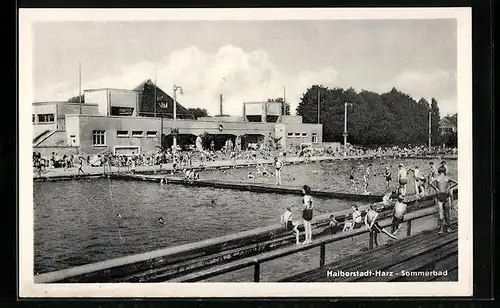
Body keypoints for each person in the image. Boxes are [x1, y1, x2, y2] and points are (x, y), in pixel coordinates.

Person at [429, 167, 458, 234]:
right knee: (447, 213)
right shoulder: (447, 178)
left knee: (440, 213)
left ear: (439, 172)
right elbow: (456, 182)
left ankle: (441, 229)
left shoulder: (437, 178)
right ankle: (448, 228)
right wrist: (449, 188)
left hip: (439, 196)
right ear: (445, 171)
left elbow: (430, 183)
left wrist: (436, 188)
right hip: (446, 196)